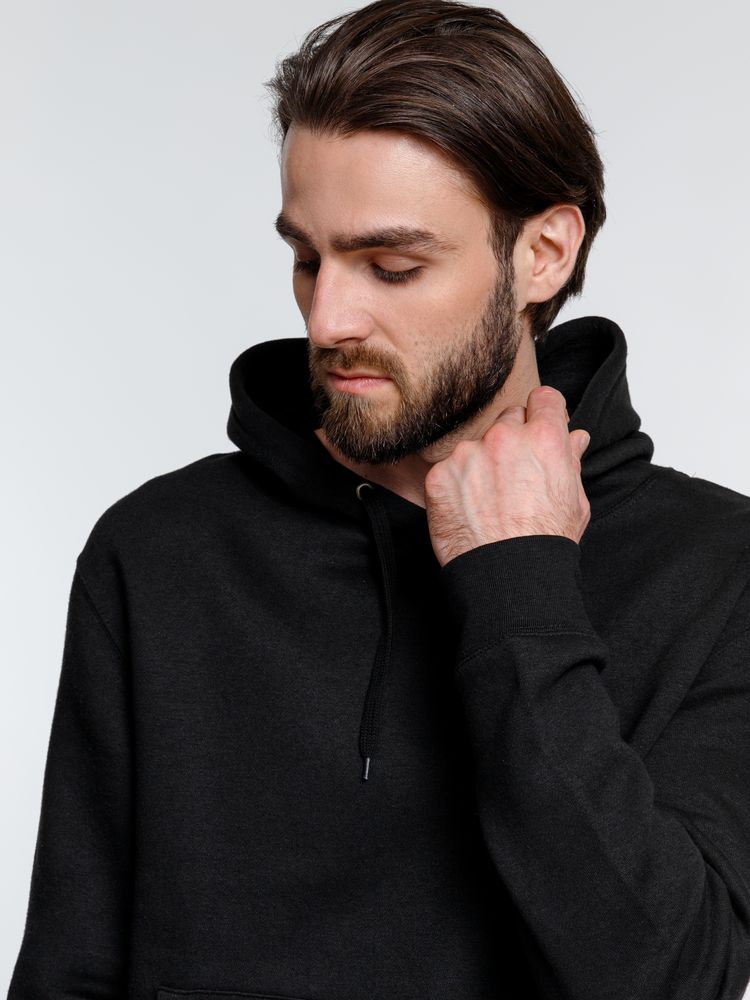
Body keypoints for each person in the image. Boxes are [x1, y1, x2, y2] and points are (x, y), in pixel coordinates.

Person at [7, 0, 750, 997]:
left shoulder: (718, 571)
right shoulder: (159, 552)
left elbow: (672, 980)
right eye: (306, 258)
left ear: (544, 253)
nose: (328, 318)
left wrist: (518, 585)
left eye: (391, 266)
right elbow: (67, 975)